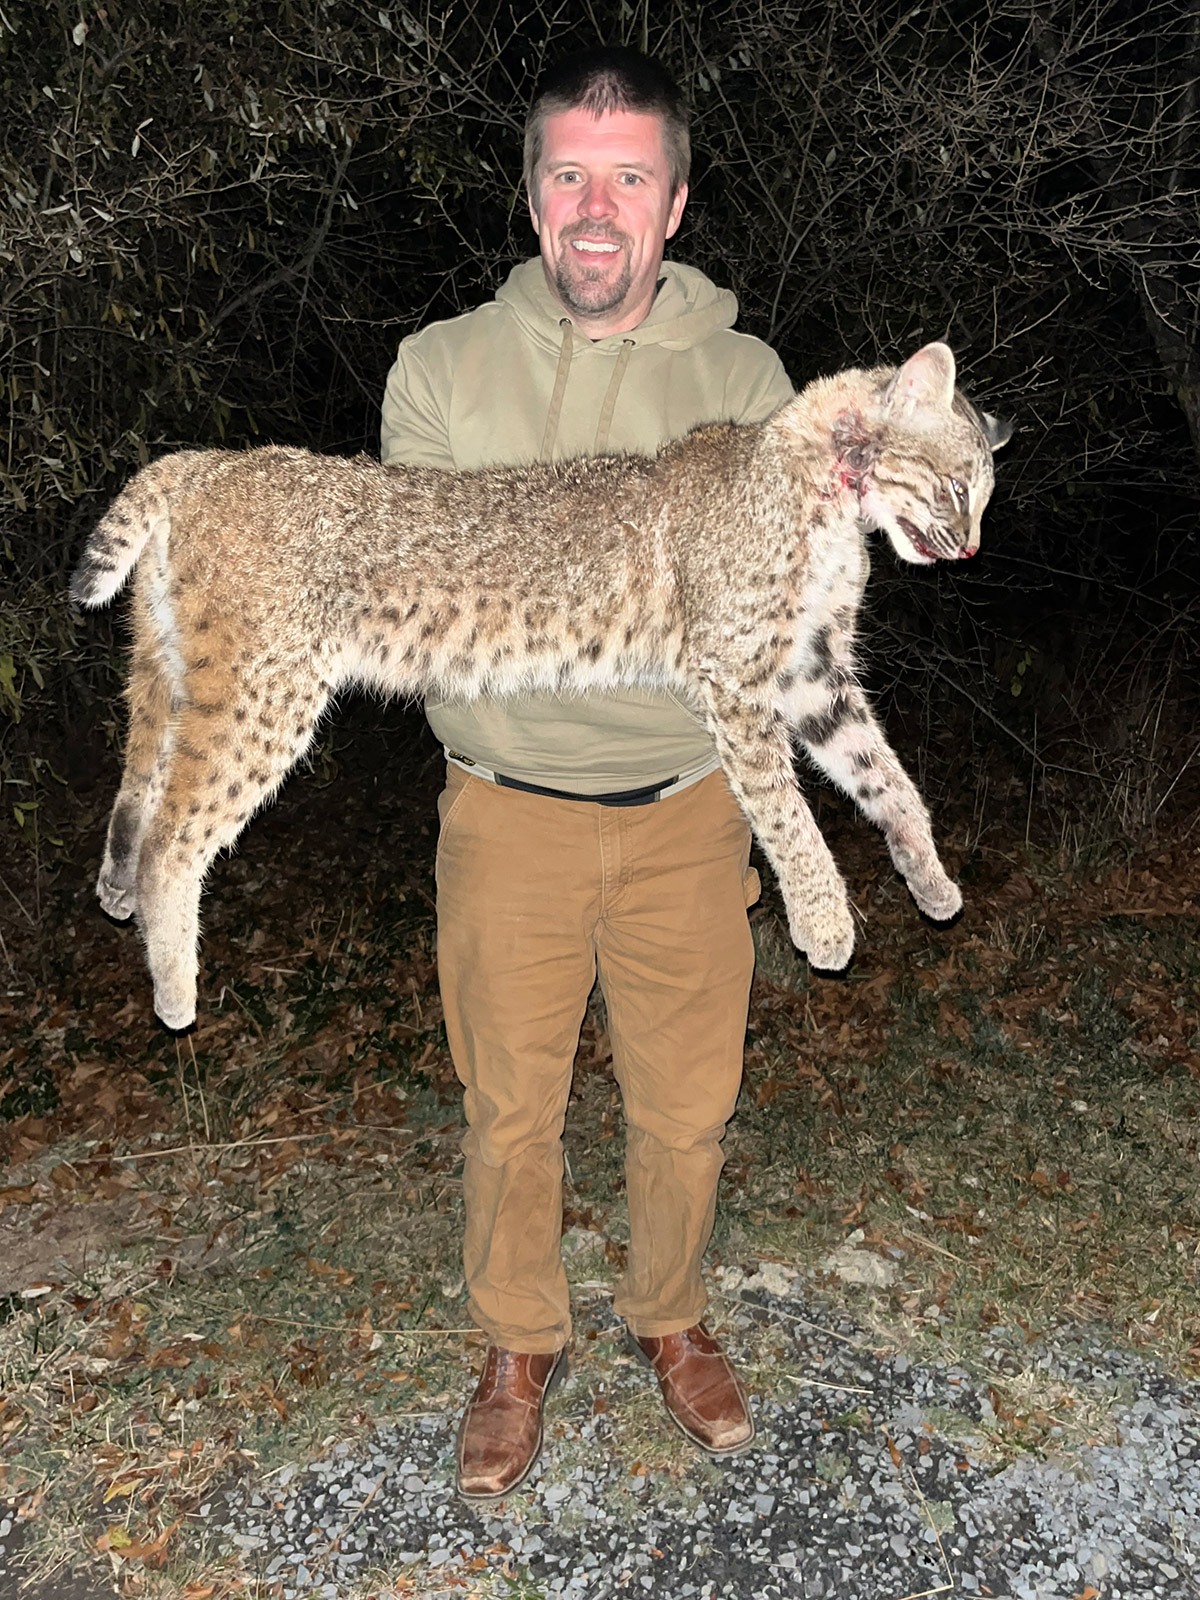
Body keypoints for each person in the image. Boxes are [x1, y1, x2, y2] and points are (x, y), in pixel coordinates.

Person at [380, 44, 794, 1502]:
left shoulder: (748, 380)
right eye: (571, 175)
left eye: (630, 178)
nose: (597, 208)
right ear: (533, 195)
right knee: (510, 1112)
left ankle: (671, 1314)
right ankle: (516, 1347)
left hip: (691, 812)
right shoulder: (439, 370)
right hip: (508, 817)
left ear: (675, 204)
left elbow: (760, 619)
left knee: (689, 1107)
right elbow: (433, 610)